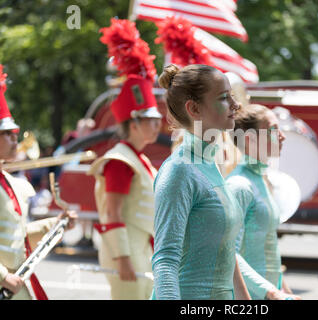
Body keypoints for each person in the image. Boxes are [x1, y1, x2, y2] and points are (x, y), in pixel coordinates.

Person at [151, 64, 251, 300]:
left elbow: (226, 249)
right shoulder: (179, 170)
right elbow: (165, 261)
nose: (236, 105)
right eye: (224, 98)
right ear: (194, 108)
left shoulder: (210, 162)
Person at [87, 18, 163, 300]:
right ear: (133, 123)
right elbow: (112, 213)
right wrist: (122, 258)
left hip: (142, 247)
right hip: (127, 251)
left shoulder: (139, 159)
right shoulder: (121, 160)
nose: (158, 125)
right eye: (150, 120)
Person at [0, 64, 77, 300]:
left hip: (16, 284)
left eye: (16, 135)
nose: (15, 140)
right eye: (8, 134)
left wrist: (55, 224)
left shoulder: (8, 180)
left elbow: (15, 236)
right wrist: (3, 277)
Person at [226, 103, 301, 300]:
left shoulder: (261, 178)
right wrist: (270, 292)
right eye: (273, 130)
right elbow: (228, 254)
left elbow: (270, 245)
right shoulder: (238, 185)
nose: (282, 136)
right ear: (250, 139)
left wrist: (284, 289)